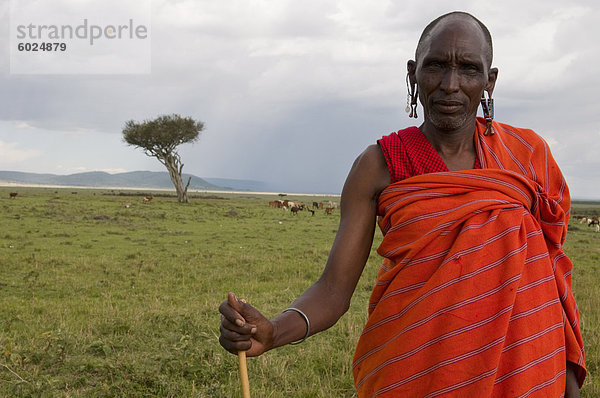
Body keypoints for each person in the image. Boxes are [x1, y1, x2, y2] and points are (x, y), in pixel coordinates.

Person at [219, 11, 586, 397]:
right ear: (413, 73)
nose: (450, 85)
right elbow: (333, 290)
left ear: (489, 81)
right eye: (436, 66)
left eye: (469, 69)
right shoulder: (378, 165)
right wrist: (274, 331)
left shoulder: (528, 156)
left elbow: (551, 284)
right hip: (413, 372)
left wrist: (568, 383)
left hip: (525, 373)